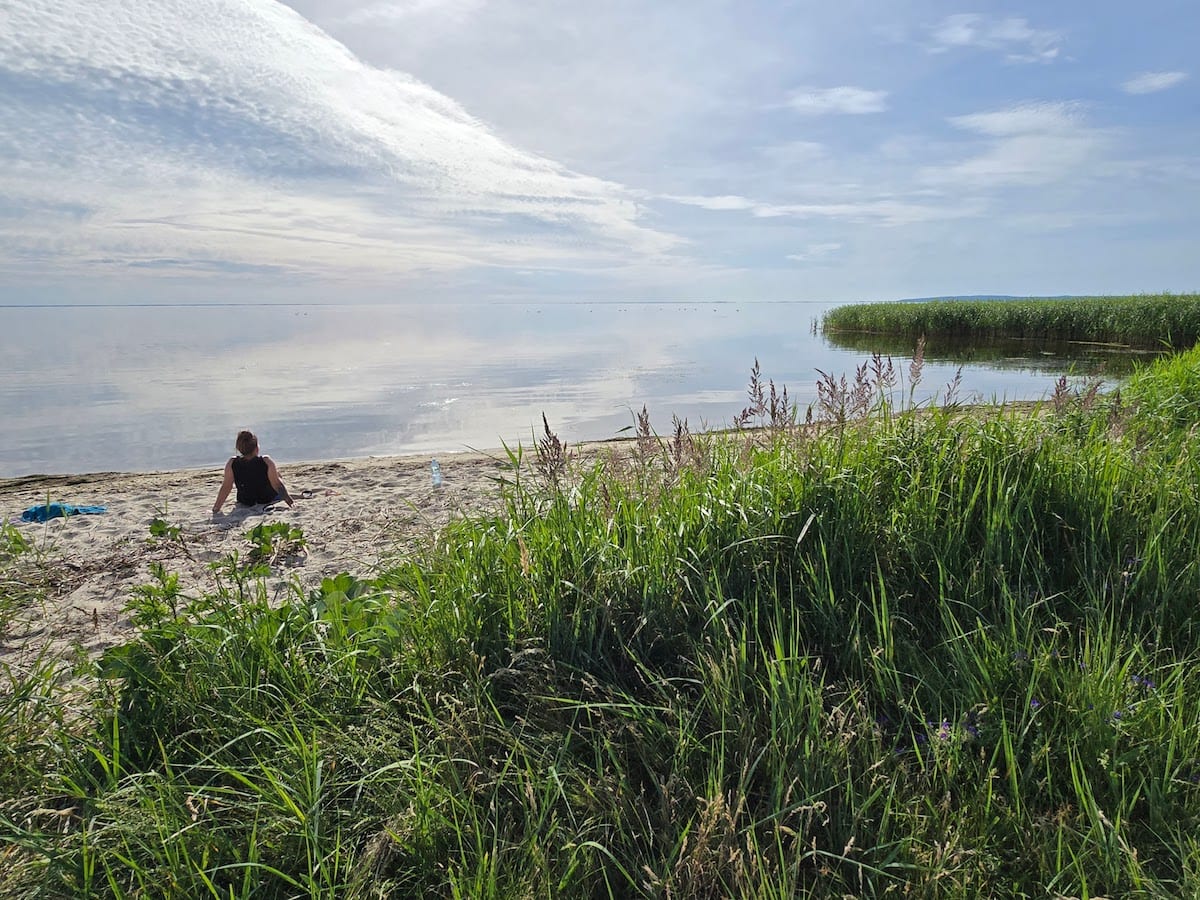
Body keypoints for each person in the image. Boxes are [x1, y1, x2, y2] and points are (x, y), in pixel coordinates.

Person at [212, 430, 293, 516]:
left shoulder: (232, 463)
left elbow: (226, 487)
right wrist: (288, 500)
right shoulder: (266, 461)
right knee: (277, 476)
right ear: (256, 448)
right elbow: (277, 485)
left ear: (239, 449)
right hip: (267, 498)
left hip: (245, 501)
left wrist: (216, 508)